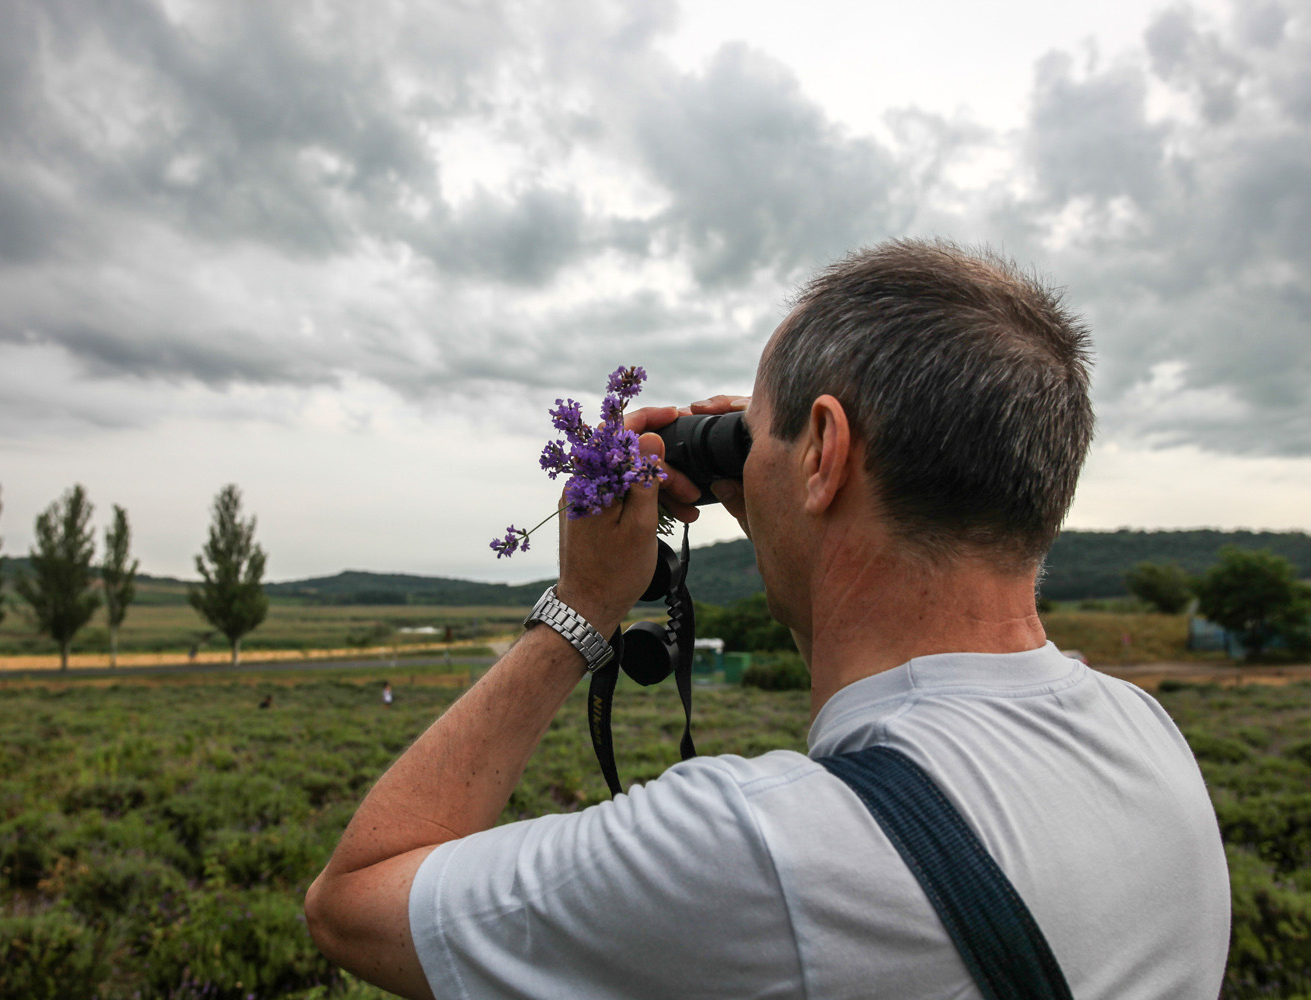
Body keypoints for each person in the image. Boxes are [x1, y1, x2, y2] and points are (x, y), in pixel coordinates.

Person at [303, 240, 1231, 999]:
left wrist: (582, 608)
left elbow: (353, 900)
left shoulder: (755, 851)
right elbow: (879, 709)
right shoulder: (1147, 738)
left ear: (827, 448)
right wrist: (789, 507)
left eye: (765, 433)